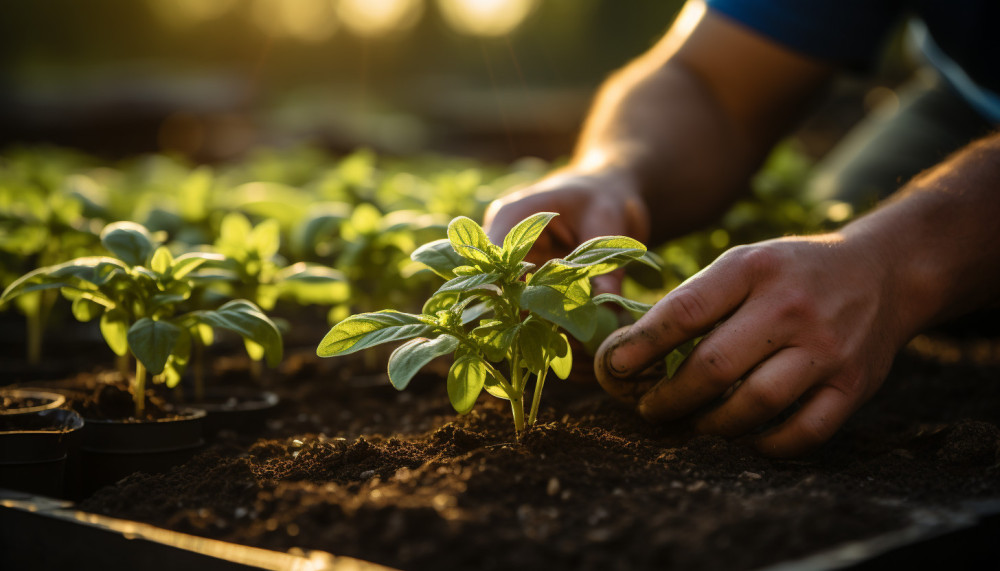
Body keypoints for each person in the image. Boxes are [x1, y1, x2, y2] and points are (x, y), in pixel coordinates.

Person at [482, 0, 1000, 458]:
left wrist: (898, 261)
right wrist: (612, 171)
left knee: (877, 254)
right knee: (842, 215)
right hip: (972, 91)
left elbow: (896, 251)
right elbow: (707, 78)